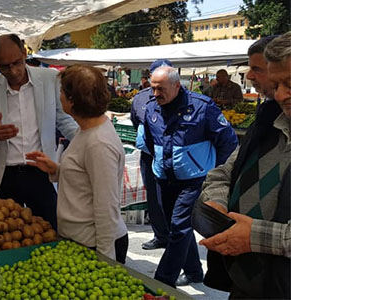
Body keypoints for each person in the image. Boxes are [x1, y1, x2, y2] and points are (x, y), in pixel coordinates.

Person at [198, 32, 290, 299]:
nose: (281, 94)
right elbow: (224, 172)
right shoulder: (271, 121)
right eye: (277, 84)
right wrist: (217, 203)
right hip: (246, 284)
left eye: (290, 83)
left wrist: (255, 236)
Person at [137, 65, 238, 287]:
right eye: (152, 88)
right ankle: (193, 272)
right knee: (179, 227)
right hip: (164, 178)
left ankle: (163, 281)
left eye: (160, 88)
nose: (155, 94)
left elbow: (228, 142)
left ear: (176, 85)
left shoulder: (202, 107)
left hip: (193, 181)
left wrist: (216, 175)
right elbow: (152, 142)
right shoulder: (152, 107)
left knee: (178, 228)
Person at [23, 64, 128, 263]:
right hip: (80, 240)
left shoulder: (99, 144)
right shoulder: (87, 130)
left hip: (94, 245)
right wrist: (57, 171)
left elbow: (106, 206)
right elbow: (86, 179)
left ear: (72, 100)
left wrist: (105, 261)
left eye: (61, 91)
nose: (59, 96)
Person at [0, 33, 79, 229]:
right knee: (5, 234)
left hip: (40, 172)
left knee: (50, 230)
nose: (13, 71)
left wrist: (87, 139)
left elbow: (64, 120)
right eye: (4, 67)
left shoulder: (49, 79)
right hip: (4, 175)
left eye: (17, 62)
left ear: (25, 53)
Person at [129, 59, 173, 251]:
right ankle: (160, 236)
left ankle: (176, 237)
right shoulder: (140, 98)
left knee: (172, 198)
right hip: (149, 156)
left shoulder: (185, 98)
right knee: (154, 198)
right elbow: (135, 121)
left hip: (173, 157)